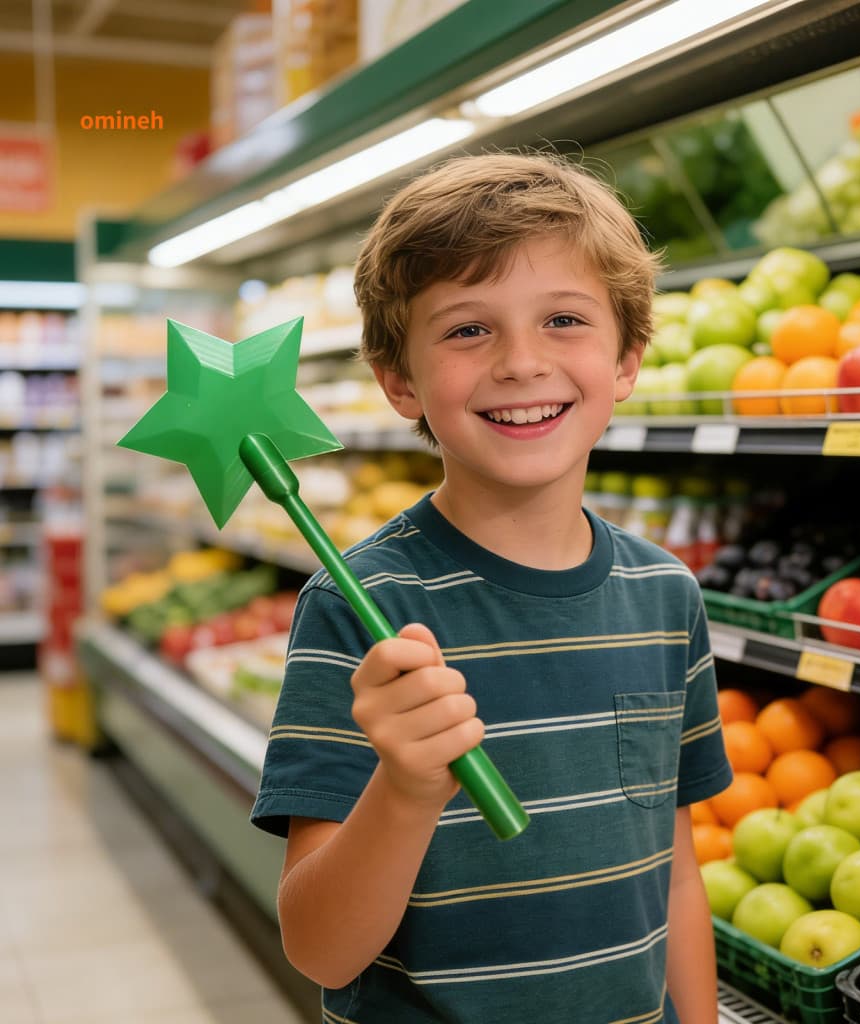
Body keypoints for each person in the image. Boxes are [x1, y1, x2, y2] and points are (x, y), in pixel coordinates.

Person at [250, 150, 733, 1023]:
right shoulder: (361, 609)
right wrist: (405, 789)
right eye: (469, 329)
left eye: (563, 320)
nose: (520, 362)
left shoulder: (667, 596)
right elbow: (318, 948)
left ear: (627, 359)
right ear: (400, 380)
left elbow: (675, 870)